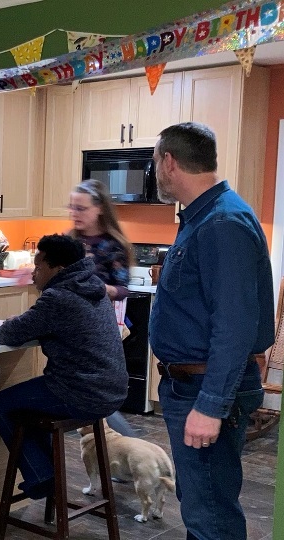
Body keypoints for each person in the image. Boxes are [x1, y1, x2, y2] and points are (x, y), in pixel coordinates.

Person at [149, 122, 273, 540]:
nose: (155, 172)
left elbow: (236, 325)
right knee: (202, 503)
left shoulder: (222, 223)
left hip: (205, 389)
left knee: (212, 516)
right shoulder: (203, 215)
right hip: (192, 385)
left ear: (169, 162)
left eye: (154, 162)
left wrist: (211, 405)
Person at [0, 234, 128, 499]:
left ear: (58, 269)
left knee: (0, 405)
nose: (33, 274)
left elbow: (9, 334)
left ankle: (42, 476)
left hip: (80, 391)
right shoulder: (92, 285)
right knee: (30, 408)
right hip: (113, 389)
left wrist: (15, 322)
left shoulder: (59, 297)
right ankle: (46, 473)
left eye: (38, 267)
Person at [68, 179, 138, 438]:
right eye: (72, 207)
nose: (75, 213)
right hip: (70, 327)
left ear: (98, 209)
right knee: (82, 390)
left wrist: (96, 287)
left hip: (97, 328)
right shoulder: (69, 242)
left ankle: (130, 448)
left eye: (81, 208)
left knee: (90, 393)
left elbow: (122, 289)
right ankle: (116, 459)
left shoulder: (112, 245)